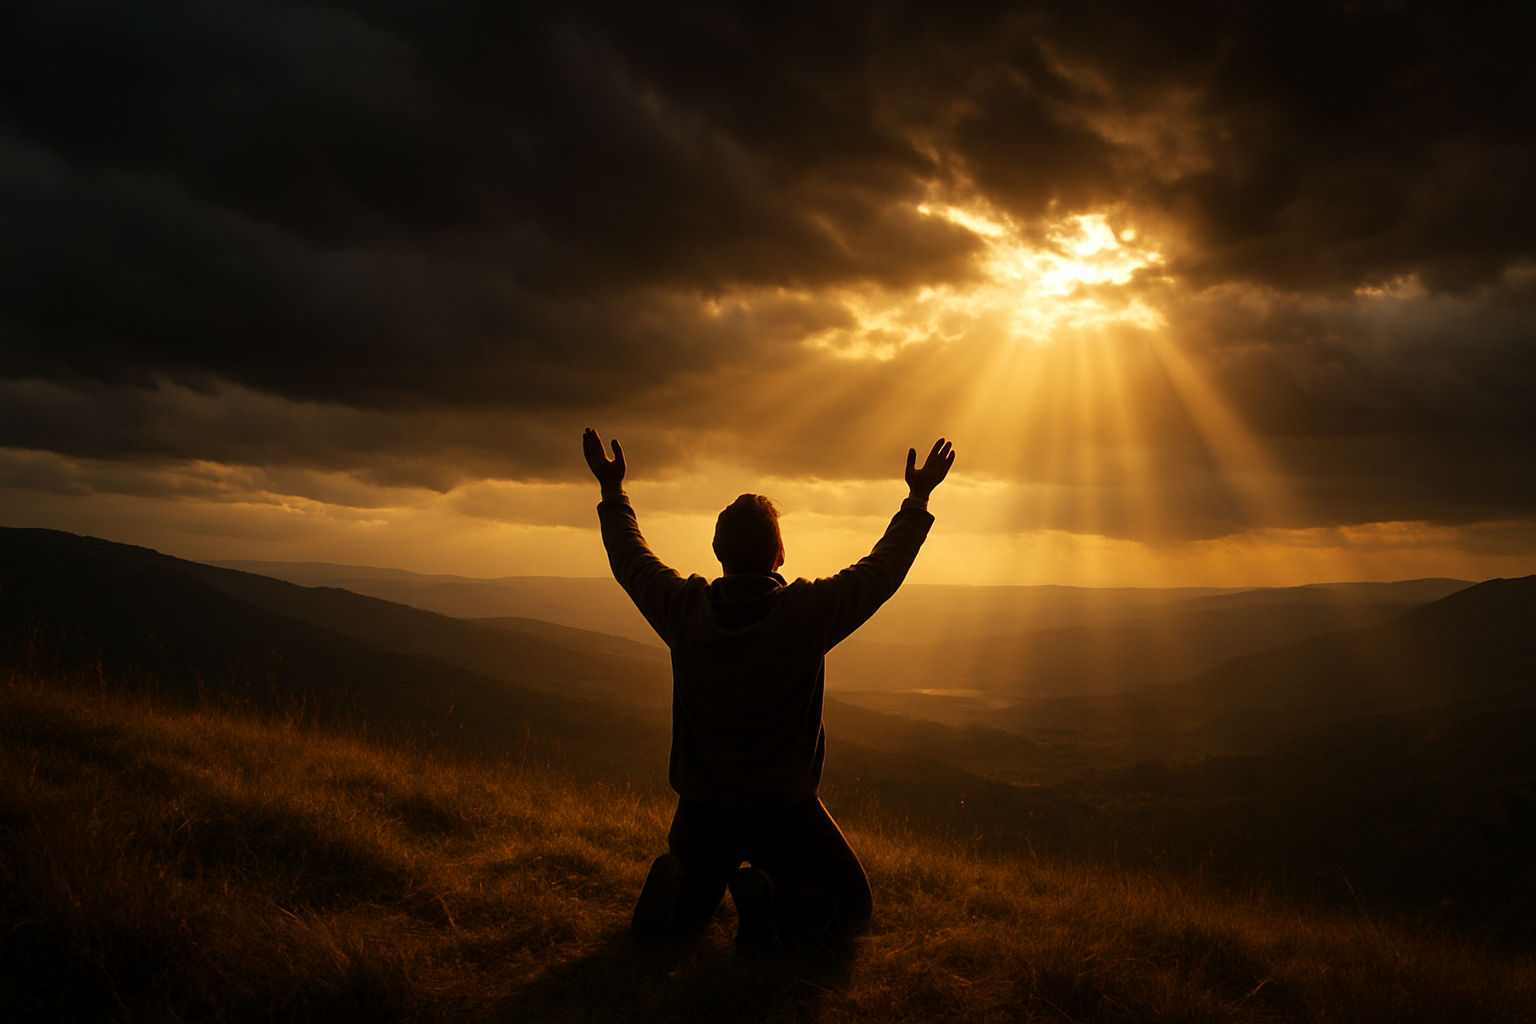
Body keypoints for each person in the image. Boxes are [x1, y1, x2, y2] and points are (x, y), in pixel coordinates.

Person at [582, 428, 955, 950]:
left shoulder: (684, 608)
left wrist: (613, 490)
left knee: (695, 891)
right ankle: (768, 894)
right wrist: (917, 498)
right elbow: (881, 571)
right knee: (852, 901)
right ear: (780, 553)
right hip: (784, 812)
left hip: (702, 809)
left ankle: (683, 893)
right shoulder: (805, 613)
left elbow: (631, 559)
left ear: (716, 551)